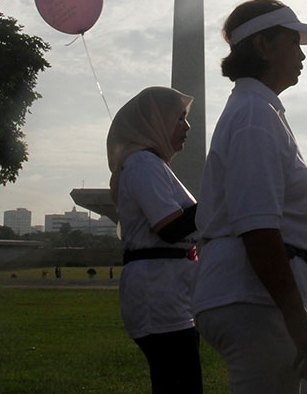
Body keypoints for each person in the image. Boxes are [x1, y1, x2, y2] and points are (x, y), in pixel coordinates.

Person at [194, 0, 307, 394]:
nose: (302, 54)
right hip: (254, 299)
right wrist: (297, 319)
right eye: (293, 41)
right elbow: (257, 227)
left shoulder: (256, 110)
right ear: (264, 47)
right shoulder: (255, 115)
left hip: (252, 295)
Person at [107, 86, 201, 394]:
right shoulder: (144, 165)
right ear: (156, 122)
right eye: (180, 119)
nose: (187, 127)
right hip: (158, 297)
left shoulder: (153, 165)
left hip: (168, 294)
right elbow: (169, 228)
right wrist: (219, 197)